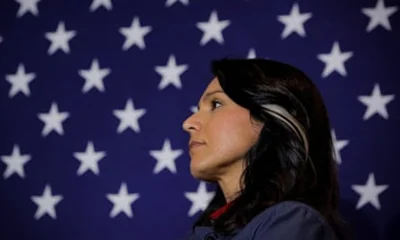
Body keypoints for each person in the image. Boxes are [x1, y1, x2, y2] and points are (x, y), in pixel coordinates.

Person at [181, 58, 352, 240]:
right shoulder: (211, 228)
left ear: (272, 118)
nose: (188, 123)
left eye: (216, 104)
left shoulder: (295, 222)